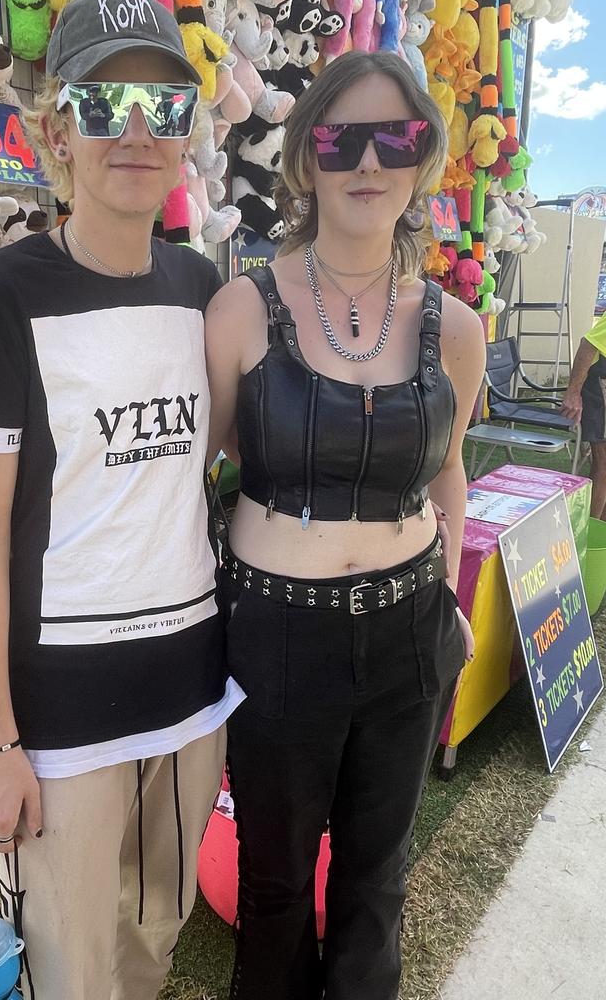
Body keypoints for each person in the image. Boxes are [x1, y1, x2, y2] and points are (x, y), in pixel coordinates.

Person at [0, 0, 243, 1000]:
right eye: (105, 105)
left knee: (153, 948)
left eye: (165, 107)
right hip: (58, 722)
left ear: (190, 134)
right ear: (54, 129)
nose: (138, 132)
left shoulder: (206, 289)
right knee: (71, 974)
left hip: (191, 703)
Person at [204, 51, 485, 1000]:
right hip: (277, 635)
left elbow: (448, 476)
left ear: (424, 160)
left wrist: (450, 599)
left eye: (395, 138)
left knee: (377, 881)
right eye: (341, 138)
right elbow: (210, 463)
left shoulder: (458, 329)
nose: (369, 162)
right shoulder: (240, 308)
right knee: (276, 887)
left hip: (409, 632)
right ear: (305, 159)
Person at [560, 315, 606, 517]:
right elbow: (587, 345)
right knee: (603, 464)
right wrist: (573, 392)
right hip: (600, 385)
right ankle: (591, 532)